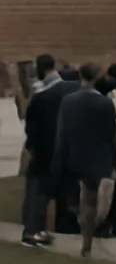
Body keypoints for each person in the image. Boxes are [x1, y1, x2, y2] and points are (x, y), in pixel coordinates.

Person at [50, 61, 116, 257]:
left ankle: (80, 224)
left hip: (73, 155)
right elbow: (110, 135)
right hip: (96, 158)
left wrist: (60, 157)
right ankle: (86, 241)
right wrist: (113, 160)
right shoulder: (105, 103)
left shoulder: (68, 101)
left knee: (78, 200)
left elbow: (62, 133)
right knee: (91, 201)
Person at [21, 54, 78, 247]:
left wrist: (31, 147)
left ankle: (31, 231)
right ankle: (40, 230)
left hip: (42, 151)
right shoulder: (71, 91)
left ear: (40, 68)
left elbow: (31, 128)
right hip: (64, 151)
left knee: (36, 193)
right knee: (50, 194)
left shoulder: (41, 96)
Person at [94, 71, 116, 240]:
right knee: (110, 193)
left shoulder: (97, 103)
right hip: (107, 153)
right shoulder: (106, 104)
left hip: (98, 153)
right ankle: (115, 225)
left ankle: (105, 225)